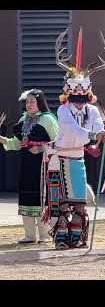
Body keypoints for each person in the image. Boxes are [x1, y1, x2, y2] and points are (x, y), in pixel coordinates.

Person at [45, 27, 105, 250]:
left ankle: (77, 237)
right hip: (59, 159)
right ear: (68, 94)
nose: (79, 101)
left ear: (89, 95)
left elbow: (98, 126)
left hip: (79, 160)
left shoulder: (91, 110)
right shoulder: (64, 111)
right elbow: (72, 130)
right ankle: (61, 237)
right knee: (62, 204)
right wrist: (92, 135)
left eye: (83, 97)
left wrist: (103, 131)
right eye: (75, 97)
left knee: (80, 204)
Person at [0, 89, 59, 244]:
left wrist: (40, 149)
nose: (29, 105)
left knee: (42, 196)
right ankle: (30, 235)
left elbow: (57, 141)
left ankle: (45, 234)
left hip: (42, 163)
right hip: (26, 162)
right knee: (26, 195)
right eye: (27, 102)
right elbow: (17, 143)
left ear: (40, 103)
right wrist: (3, 140)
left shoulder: (48, 119)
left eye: (32, 101)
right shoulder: (23, 120)